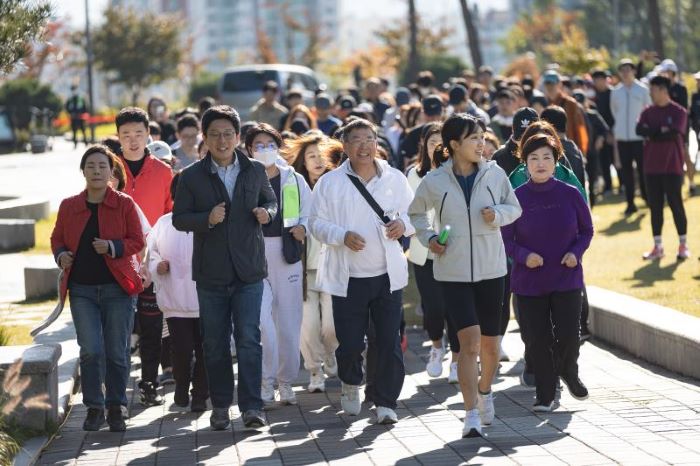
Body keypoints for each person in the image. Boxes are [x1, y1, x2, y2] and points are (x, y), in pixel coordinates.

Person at [409, 114, 521, 438]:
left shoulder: (495, 173)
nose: (481, 143)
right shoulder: (434, 180)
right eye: (474, 138)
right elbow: (416, 214)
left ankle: (485, 391)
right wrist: (429, 238)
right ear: (454, 144)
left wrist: (497, 215)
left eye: (483, 137)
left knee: (490, 347)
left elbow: (514, 208)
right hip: (453, 272)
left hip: (492, 270)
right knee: (468, 344)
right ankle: (470, 413)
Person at [172, 105, 278, 431]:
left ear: (237, 136)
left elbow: (271, 200)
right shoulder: (190, 176)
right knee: (215, 343)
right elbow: (179, 219)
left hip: (248, 271)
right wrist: (206, 219)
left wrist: (268, 213)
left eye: (228, 134)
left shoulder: (255, 170)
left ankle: (251, 407)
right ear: (204, 138)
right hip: (211, 275)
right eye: (215, 134)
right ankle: (220, 405)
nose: (222, 140)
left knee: (249, 339)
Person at [309, 118, 415, 425]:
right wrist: (341, 235)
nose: (365, 145)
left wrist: (402, 225)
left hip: (387, 275)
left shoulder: (394, 178)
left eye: (370, 139)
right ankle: (351, 382)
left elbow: (415, 215)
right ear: (345, 146)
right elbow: (315, 222)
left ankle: (386, 401)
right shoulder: (330, 183)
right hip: (348, 278)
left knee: (388, 340)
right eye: (357, 139)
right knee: (351, 342)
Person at [51, 145, 145, 432]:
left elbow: (137, 241)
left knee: (117, 351)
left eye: (102, 166)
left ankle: (116, 406)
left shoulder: (124, 203)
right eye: (91, 166)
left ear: (111, 171)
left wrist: (113, 247)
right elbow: (57, 239)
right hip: (82, 290)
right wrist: (61, 255)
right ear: (83, 171)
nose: (96, 171)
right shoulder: (69, 205)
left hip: (118, 288)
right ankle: (94, 407)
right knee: (91, 350)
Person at [501, 132, 594, 412]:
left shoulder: (570, 193)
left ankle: (569, 370)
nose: (540, 163)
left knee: (568, 334)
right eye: (533, 158)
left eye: (546, 158)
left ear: (556, 162)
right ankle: (544, 392)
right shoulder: (516, 198)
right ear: (524, 163)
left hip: (566, 277)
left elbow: (587, 230)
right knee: (536, 339)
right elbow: (505, 240)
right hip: (529, 281)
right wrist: (523, 255)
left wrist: (575, 254)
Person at [243, 123, 312, 406]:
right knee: (263, 324)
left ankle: (286, 382)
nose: (265, 150)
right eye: (258, 145)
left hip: (286, 254)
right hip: (253, 257)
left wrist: (303, 229)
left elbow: (309, 213)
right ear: (249, 149)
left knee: (288, 323)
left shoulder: (293, 179)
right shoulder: (243, 177)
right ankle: (265, 382)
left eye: (270, 145)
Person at [147, 173, 208, 413]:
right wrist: (157, 265)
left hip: (206, 299)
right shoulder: (164, 223)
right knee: (181, 350)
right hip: (174, 301)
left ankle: (201, 394)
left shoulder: (208, 221)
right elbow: (151, 253)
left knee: (206, 350)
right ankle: (181, 387)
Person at [406, 122, 460, 382]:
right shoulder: (414, 175)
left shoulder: (458, 172)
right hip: (424, 251)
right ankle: (437, 347)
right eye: (431, 143)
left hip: (454, 250)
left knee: (456, 307)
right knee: (433, 307)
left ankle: (459, 361)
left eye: (441, 143)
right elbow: (410, 211)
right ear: (424, 146)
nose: (436, 148)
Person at [285, 133, 339, 392]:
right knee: (308, 328)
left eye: (321, 155)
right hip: (303, 268)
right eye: (311, 156)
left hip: (333, 266)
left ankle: (331, 353)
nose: (317, 161)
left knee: (331, 326)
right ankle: (314, 371)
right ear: (303, 162)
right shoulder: (294, 187)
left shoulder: (337, 185)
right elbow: (289, 222)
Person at [635, 75, 690, 260]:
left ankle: (683, 244)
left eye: (653, 89)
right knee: (655, 207)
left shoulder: (679, 111)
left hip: (672, 166)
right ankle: (657, 247)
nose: (650, 92)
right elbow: (639, 130)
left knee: (676, 204)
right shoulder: (647, 111)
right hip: (651, 167)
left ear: (663, 90)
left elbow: (673, 132)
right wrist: (659, 131)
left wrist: (653, 133)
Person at [611, 59, 652, 215]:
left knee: (643, 170)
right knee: (626, 172)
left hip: (639, 138)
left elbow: (647, 111)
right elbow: (615, 112)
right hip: (623, 138)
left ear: (634, 71)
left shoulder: (642, 90)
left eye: (628, 69)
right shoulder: (616, 92)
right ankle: (630, 202)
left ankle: (647, 197)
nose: (626, 72)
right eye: (623, 70)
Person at [542, 70, 589, 155]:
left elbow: (580, 129)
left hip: (569, 151)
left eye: (552, 84)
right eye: (547, 84)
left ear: (559, 84)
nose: (550, 87)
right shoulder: (543, 103)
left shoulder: (570, 103)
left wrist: (582, 153)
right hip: (550, 153)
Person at [400, 95, 444, 168]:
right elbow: (406, 162)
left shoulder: (449, 131)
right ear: (422, 112)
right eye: (429, 114)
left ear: (442, 112)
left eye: (437, 114)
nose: (433, 118)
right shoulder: (413, 134)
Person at [591, 69, 616, 194]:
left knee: (617, 159)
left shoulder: (613, 93)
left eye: (601, 79)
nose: (598, 82)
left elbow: (615, 114)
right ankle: (608, 186)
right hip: (600, 133)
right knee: (604, 160)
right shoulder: (593, 96)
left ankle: (622, 184)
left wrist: (611, 132)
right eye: (596, 80)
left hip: (614, 132)